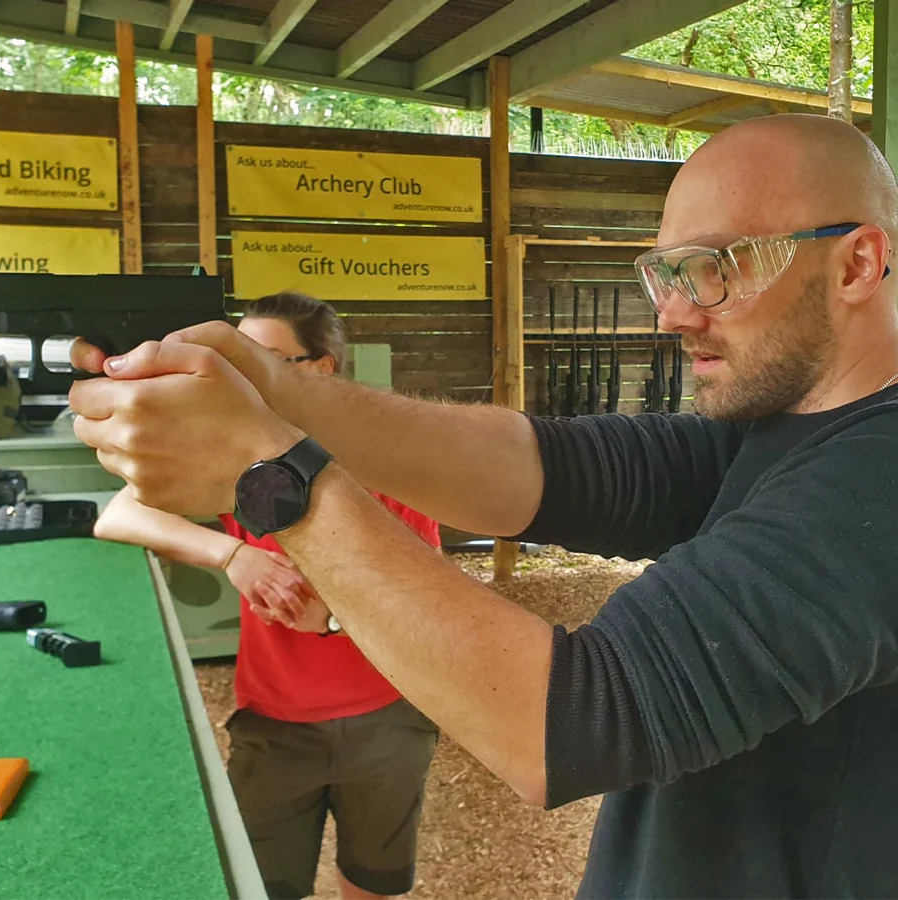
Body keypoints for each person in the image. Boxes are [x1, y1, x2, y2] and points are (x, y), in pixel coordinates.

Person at [69, 113, 898, 898]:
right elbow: (540, 467)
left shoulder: (878, 470)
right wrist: (276, 392)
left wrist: (269, 472)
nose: (675, 313)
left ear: (857, 263)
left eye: (720, 266)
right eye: (669, 272)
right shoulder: (782, 423)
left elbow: (570, 723)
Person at [90, 292, 442, 900]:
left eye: (264, 359)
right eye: (236, 359)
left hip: (386, 719)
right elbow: (119, 514)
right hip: (273, 729)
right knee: (260, 888)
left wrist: (331, 617)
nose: (244, 378)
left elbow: (431, 613)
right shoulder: (241, 461)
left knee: (373, 886)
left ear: (320, 369)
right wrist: (235, 554)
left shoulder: (389, 470)